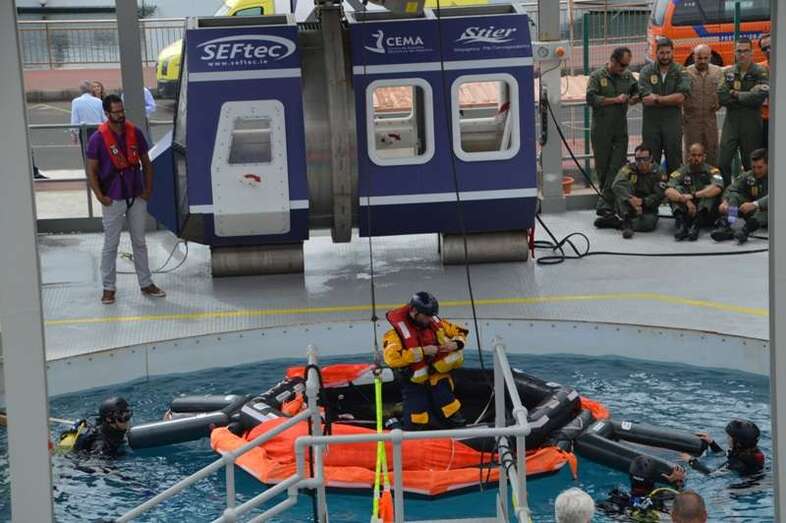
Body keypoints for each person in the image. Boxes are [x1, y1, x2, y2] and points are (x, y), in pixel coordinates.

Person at [85, 94, 166, 304]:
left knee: (139, 242)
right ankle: (108, 288)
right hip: (112, 197)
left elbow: (146, 163)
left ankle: (146, 283)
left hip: (136, 195)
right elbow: (91, 171)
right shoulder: (97, 139)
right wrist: (100, 196)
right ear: (107, 113)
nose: (120, 115)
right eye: (116, 112)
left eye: (122, 111)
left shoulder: (135, 133)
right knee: (111, 244)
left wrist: (147, 189)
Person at [382, 292, 467, 430]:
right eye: (426, 315)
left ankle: (457, 430)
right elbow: (392, 358)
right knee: (416, 417)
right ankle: (395, 423)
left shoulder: (435, 323)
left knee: (449, 408)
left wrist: (457, 343)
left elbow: (460, 331)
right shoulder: (394, 334)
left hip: (438, 376)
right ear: (414, 312)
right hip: (415, 382)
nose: (430, 319)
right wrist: (423, 351)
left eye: (431, 315)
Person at [586, 47, 640, 222]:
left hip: (620, 129)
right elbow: (591, 99)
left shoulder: (627, 76)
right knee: (603, 168)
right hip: (602, 129)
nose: (624, 68)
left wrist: (634, 98)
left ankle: (604, 205)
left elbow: (636, 89)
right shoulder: (597, 77)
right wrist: (614, 100)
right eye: (622, 65)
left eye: (627, 65)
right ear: (613, 60)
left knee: (617, 165)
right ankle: (609, 206)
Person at [717, 37, 769, 185]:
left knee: (750, 165)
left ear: (751, 52)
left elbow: (759, 97)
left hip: (751, 122)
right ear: (735, 52)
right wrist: (747, 96)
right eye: (739, 51)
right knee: (722, 162)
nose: (742, 54)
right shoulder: (729, 72)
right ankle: (728, 192)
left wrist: (736, 94)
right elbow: (722, 96)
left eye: (745, 51)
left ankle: (749, 196)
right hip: (731, 122)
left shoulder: (760, 71)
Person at [638, 37, 691, 174]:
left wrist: (657, 99)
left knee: (674, 160)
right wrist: (669, 99)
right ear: (656, 53)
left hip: (672, 123)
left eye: (668, 52)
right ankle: (654, 192)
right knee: (651, 161)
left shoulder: (681, 71)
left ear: (672, 52)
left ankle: (675, 191)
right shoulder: (646, 71)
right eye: (662, 53)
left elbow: (680, 98)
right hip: (651, 124)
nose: (665, 56)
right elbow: (646, 97)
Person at [664, 143, 724, 241]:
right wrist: (685, 200)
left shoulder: (713, 171)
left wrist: (693, 196)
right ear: (689, 156)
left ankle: (696, 226)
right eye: (693, 155)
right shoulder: (681, 171)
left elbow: (717, 188)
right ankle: (682, 226)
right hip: (688, 209)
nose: (696, 158)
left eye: (699, 155)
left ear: (704, 157)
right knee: (677, 190)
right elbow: (668, 190)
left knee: (708, 190)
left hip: (705, 212)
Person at [607, 144, 668, 239]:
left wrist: (642, 202)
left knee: (650, 223)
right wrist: (630, 199)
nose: (641, 162)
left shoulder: (659, 172)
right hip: (628, 205)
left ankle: (619, 224)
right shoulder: (629, 168)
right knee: (623, 187)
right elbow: (616, 185)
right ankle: (627, 220)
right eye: (638, 159)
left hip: (647, 207)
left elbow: (659, 195)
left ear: (651, 158)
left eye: (645, 159)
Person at [599, 455, 685, 521]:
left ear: (630, 476)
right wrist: (678, 482)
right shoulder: (664, 498)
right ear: (653, 478)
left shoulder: (617, 499)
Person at [710, 148, 768, 244]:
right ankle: (728, 225)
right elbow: (731, 189)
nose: (756, 171)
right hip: (750, 210)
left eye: (760, 167)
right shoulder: (749, 175)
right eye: (753, 167)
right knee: (734, 196)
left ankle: (745, 230)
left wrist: (755, 204)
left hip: (765, 213)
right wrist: (725, 202)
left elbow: (777, 197)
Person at [682, 44, 722, 165]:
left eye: (706, 58)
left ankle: (712, 181)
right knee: (691, 153)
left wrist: (719, 102)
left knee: (712, 151)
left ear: (710, 57)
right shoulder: (685, 73)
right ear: (694, 57)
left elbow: (723, 91)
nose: (702, 61)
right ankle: (689, 181)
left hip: (710, 120)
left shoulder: (717, 72)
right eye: (699, 58)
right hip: (691, 121)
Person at [57, 397, 133, 457]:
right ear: (109, 419)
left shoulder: (114, 428)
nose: (127, 420)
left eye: (127, 414)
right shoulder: (101, 444)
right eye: (123, 417)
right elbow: (95, 465)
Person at [687, 419, 765, 476]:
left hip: (743, 489)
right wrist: (712, 443)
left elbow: (711, 474)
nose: (727, 438)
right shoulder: (749, 450)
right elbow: (724, 454)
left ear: (738, 443)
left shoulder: (736, 463)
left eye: (729, 437)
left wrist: (691, 461)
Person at [70, 80, 106, 150]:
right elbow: (104, 118)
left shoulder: (75, 101)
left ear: (81, 90)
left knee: (86, 152)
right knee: (99, 151)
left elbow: (74, 119)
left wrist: (74, 134)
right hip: (97, 129)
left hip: (84, 130)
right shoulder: (98, 101)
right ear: (91, 89)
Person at [758, 34, 771, 149]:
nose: (768, 50)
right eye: (764, 48)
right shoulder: (758, 68)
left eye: (771, 46)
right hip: (764, 120)